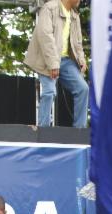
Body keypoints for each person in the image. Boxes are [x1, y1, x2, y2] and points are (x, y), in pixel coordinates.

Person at [24, 0, 89, 128]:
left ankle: (79, 131)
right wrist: (53, 64)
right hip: (46, 59)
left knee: (83, 89)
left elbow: (78, 43)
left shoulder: (75, 15)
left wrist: (81, 59)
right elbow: (45, 37)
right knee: (49, 91)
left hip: (66, 60)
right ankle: (44, 130)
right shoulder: (49, 8)